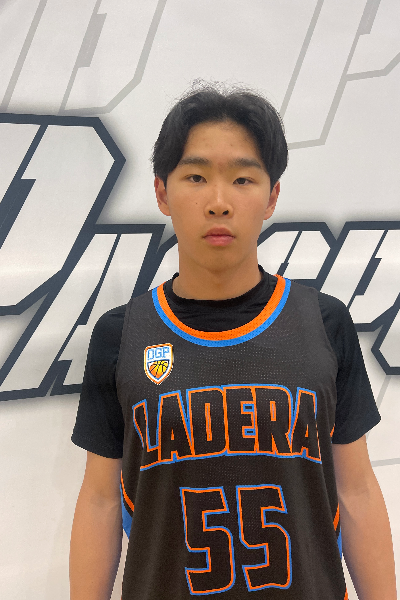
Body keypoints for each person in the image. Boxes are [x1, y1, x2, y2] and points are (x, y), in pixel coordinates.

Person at [69, 85, 397, 600]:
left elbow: (355, 491)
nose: (219, 202)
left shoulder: (323, 322)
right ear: (162, 193)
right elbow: (100, 500)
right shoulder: (122, 333)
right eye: (196, 177)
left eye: (243, 179)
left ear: (271, 196)